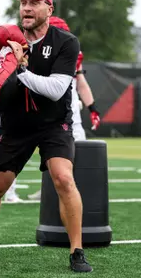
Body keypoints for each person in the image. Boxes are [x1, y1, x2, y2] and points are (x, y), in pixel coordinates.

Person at [0, 0, 93, 273]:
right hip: (16, 124)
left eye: (34, 3)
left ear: (49, 9)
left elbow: (57, 90)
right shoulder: (6, 40)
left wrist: (20, 70)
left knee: (63, 179)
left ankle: (77, 251)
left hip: (53, 123)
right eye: (23, 4)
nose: (27, 9)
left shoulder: (66, 41)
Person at [27, 16, 101, 200]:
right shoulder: (33, 48)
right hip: (40, 111)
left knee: (77, 149)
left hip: (69, 113)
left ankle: (77, 189)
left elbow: (81, 82)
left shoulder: (70, 51)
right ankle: (48, 188)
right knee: (48, 152)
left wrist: (92, 108)